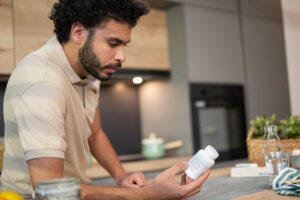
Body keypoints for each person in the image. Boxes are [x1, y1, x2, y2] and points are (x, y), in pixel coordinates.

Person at [0, 0, 210, 199]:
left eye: (124, 45)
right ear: (78, 32)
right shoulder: (42, 82)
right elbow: (48, 187)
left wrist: (122, 177)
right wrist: (147, 195)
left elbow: (95, 133)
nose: (122, 57)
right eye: (113, 43)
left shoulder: (90, 71)